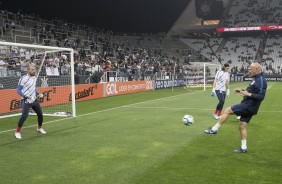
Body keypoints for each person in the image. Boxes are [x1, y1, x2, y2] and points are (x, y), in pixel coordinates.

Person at [204, 63, 267, 153]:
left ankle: (214, 129)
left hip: (249, 105)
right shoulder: (256, 79)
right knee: (242, 126)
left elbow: (261, 96)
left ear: (257, 69)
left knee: (227, 110)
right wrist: (241, 91)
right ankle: (244, 148)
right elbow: (252, 91)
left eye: (251, 69)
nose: (249, 70)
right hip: (250, 106)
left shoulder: (260, 80)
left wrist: (247, 94)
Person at [15, 64, 46, 139]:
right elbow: (18, 90)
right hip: (26, 100)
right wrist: (25, 97)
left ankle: (39, 128)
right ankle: (17, 132)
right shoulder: (23, 78)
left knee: (40, 114)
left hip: (34, 100)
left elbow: (33, 88)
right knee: (24, 116)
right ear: (28, 70)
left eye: (34, 69)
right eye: (32, 69)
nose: (34, 70)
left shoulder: (34, 78)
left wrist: (38, 93)